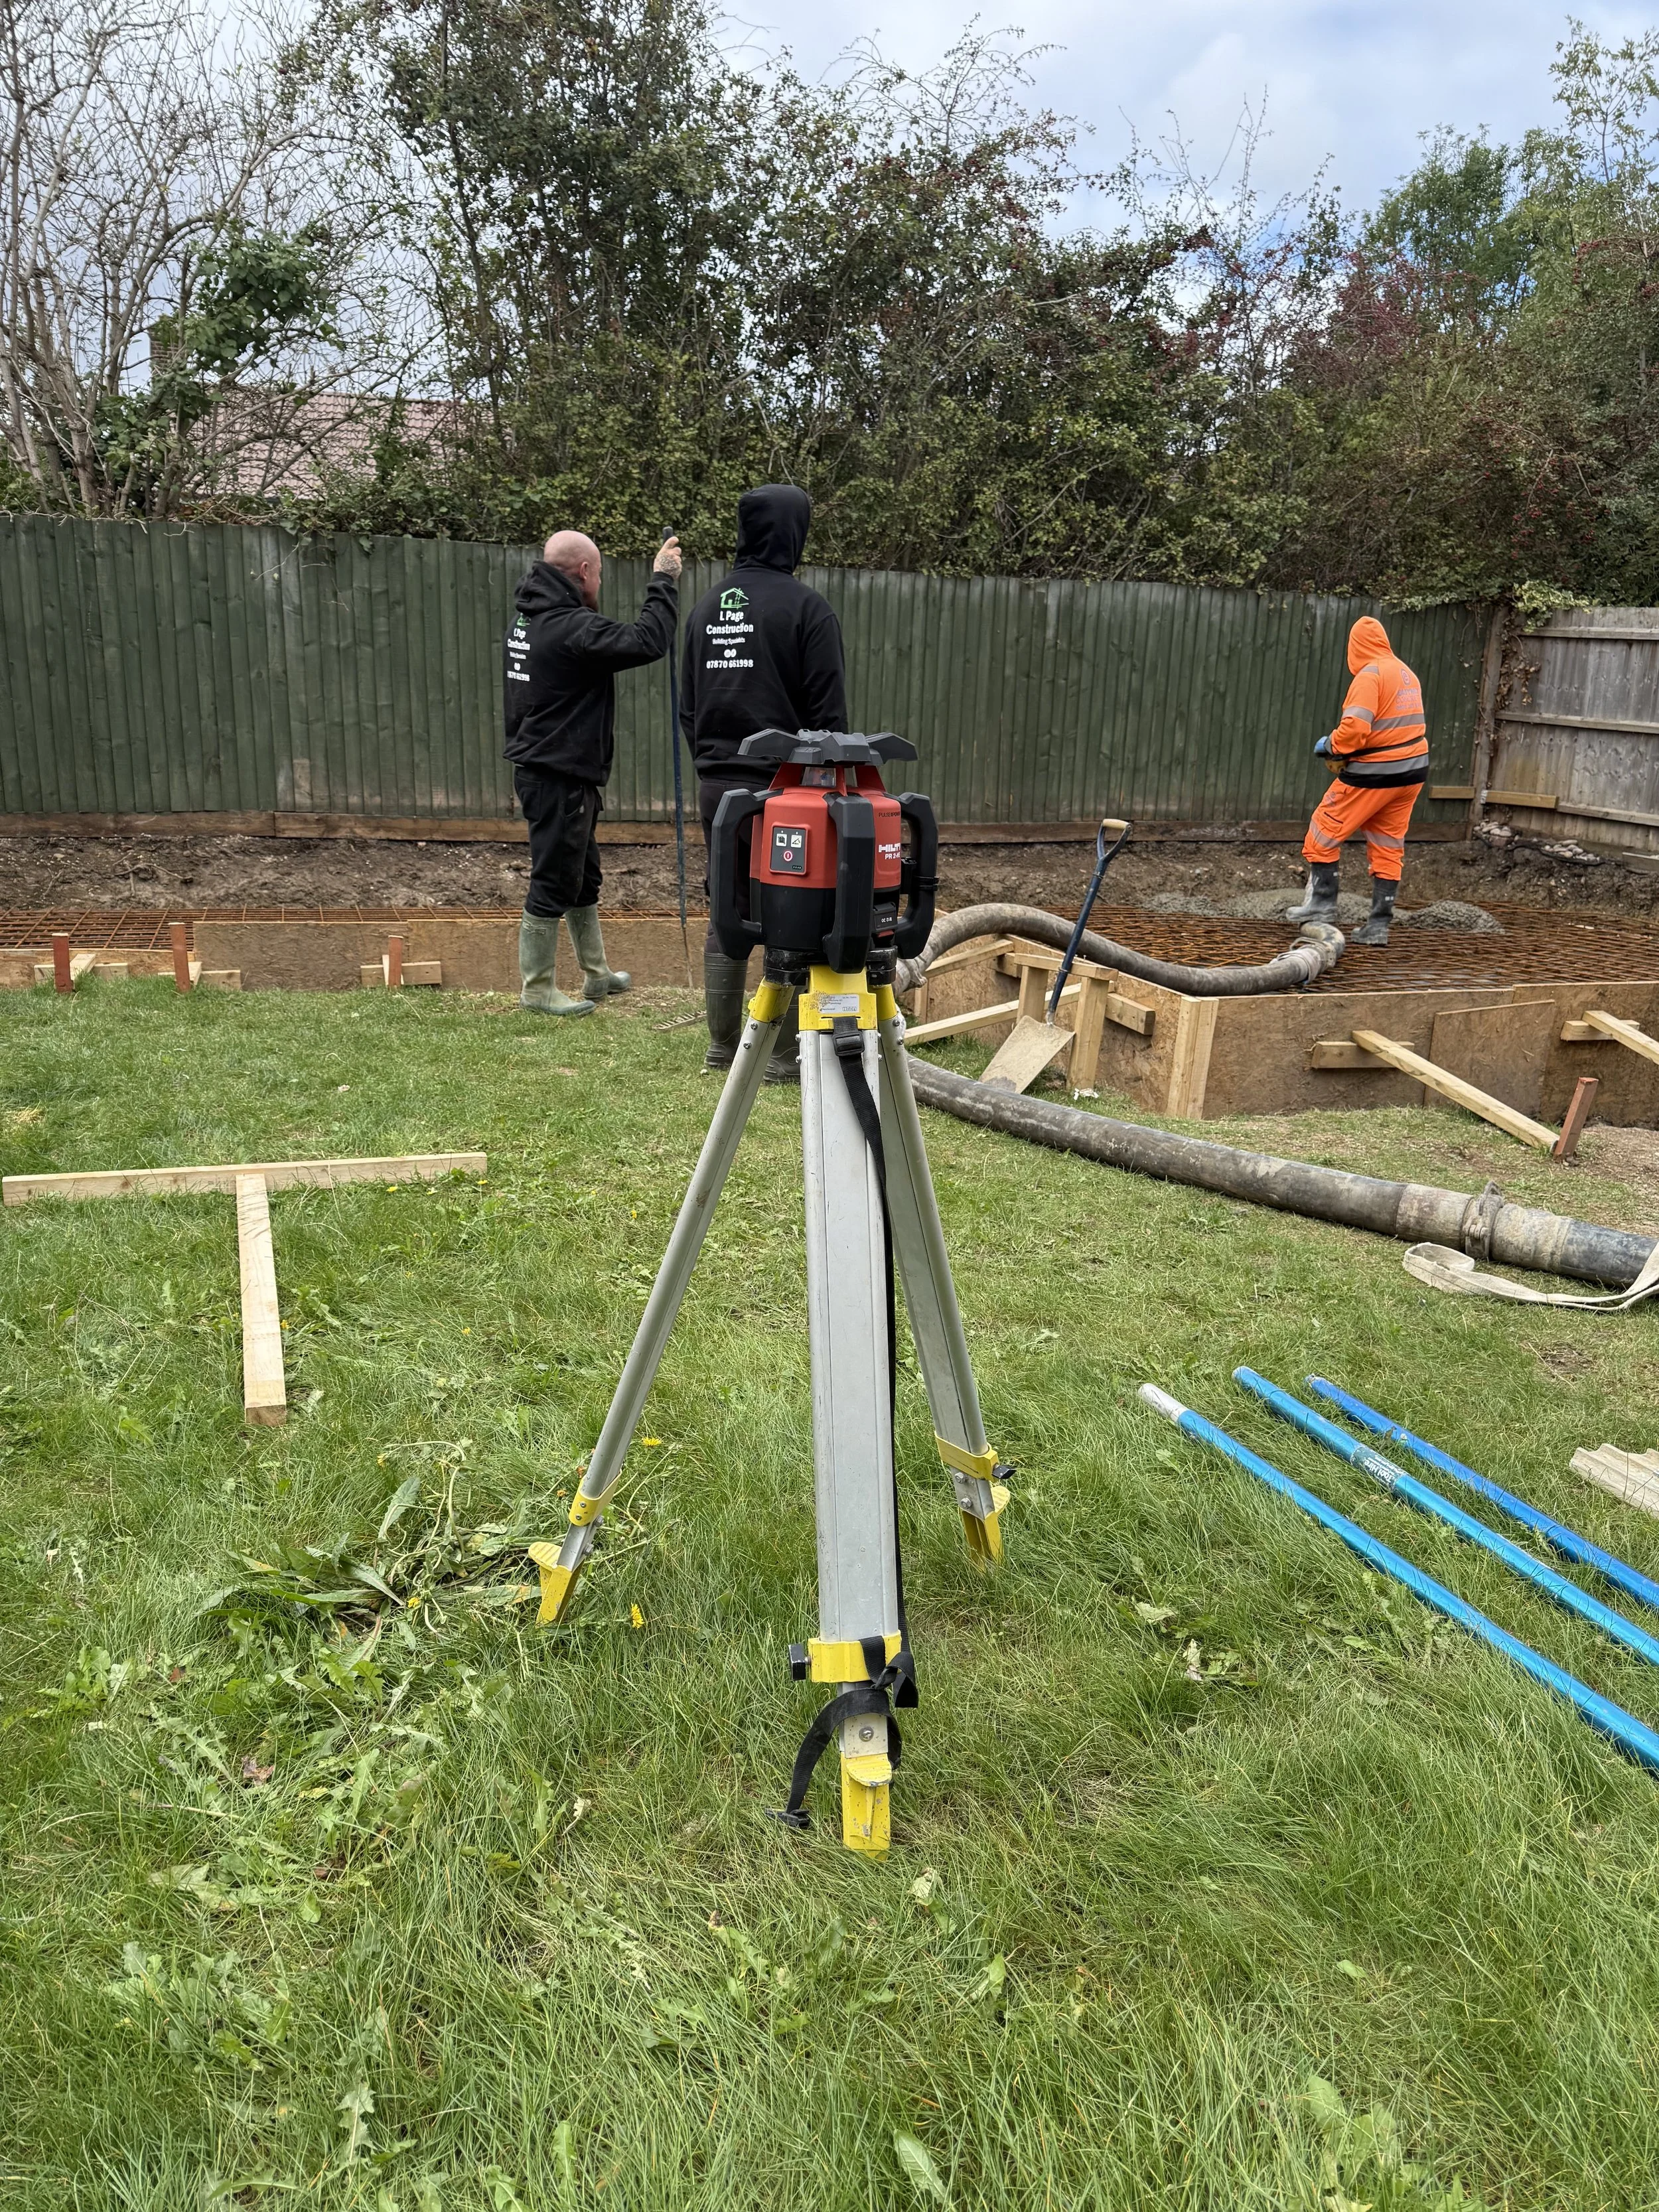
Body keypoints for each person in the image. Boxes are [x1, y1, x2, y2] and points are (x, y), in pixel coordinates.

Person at [679, 484, 847, 1076]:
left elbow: (688, 709)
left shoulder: (705, 608)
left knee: (728, 906)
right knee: (792, 910)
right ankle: (782, 1054)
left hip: (718, 789)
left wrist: (713, 764)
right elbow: (829, 722)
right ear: (793, 533)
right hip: (789, 795)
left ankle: (723, 1046)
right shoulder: (807, 610)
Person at [504, 528, 681, 1014]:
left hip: (555, 770)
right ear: (584, 571)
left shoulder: (528, 620)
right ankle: (537, 988)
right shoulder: (570, 627)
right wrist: (662, 581)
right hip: (558, 772)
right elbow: (648, 640)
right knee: (554, 879)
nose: (598, 581)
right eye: (598, 573)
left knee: (583, 877)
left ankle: (597, 974)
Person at [1289, 615, 1428, 948]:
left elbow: (1355, 731)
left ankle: (1322, 906)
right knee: (1388, 844)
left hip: (1377, 772)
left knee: (1324, 828)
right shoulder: (1406, 673)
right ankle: (1378, 926)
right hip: (1412, 772)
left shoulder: (1371, 675)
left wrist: (1331, 745)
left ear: (1356, 647)